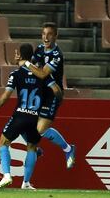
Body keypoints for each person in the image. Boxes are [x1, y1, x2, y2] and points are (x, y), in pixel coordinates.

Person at [0, 43, 62, 189]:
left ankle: (6, 175)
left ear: (20, 56)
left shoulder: (16, 74)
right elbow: (56, 90)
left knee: (3, 143)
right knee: (32, 148)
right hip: (35, 118)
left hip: (20, 115)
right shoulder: (42, 75)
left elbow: (6, 95)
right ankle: (26, 183)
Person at [19, 22, 76, 169]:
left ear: (56, 36)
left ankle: (68, 149)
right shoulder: (39, 49)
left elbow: (43, 73)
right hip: (39, 93)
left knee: (40, 130)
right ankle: (35, 149)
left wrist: (24, 63)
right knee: (22, 125)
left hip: (52, 94)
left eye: (49, 34)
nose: (46, 37)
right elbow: (33, 69)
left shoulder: (57, 56)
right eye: (44, 34)